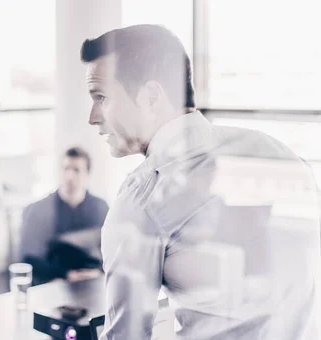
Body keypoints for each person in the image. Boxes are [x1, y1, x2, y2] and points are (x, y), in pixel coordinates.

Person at [81, 25, 320, 339]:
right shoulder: (274, 152)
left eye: (102, 97)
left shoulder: (142, 200)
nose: (92, 116)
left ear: (151, 96)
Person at [19, 147, 109, 284]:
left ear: (87, 174)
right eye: (66, 168)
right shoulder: (38, 210)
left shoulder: (101, 208)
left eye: (76, 170)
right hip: (53, 283)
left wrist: (98, 272)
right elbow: (29, 257)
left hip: (94, 282)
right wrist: (66, 274)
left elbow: (113, 251)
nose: (70, 176)